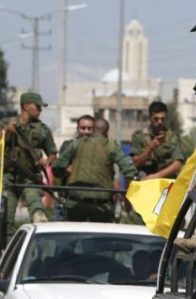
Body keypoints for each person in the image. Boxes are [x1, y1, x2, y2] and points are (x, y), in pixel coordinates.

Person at [52, 118, 138, 222]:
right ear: (107, 131)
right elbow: (130, 171)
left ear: (93, 129)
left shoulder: (76, 144)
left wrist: (67, 172)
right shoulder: (112, 146)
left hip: (76, 203)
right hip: (102, 205)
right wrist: (126, 197)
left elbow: (57, 167)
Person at [1, 92, 57, 234]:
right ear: (25, 106)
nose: (40, 110)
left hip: (30, 176)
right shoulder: (6, 124)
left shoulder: (42, 130)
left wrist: (46, 161)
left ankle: (38, 229)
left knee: (36, 206)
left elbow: (52, 153)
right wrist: (7, 131)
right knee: (5, 218)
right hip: (9, 177)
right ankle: (7, 250)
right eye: (37, 106)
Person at [130, 101, 184, 179]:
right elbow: (134, 164)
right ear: (150, 118)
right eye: (156, 119)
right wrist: (149, 149)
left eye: (162, 119)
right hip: (145, 183)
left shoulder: (172, 137)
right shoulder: (139, 137)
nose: (160, 122)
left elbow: (178, 164)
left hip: (166, 184)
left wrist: (157, 176)